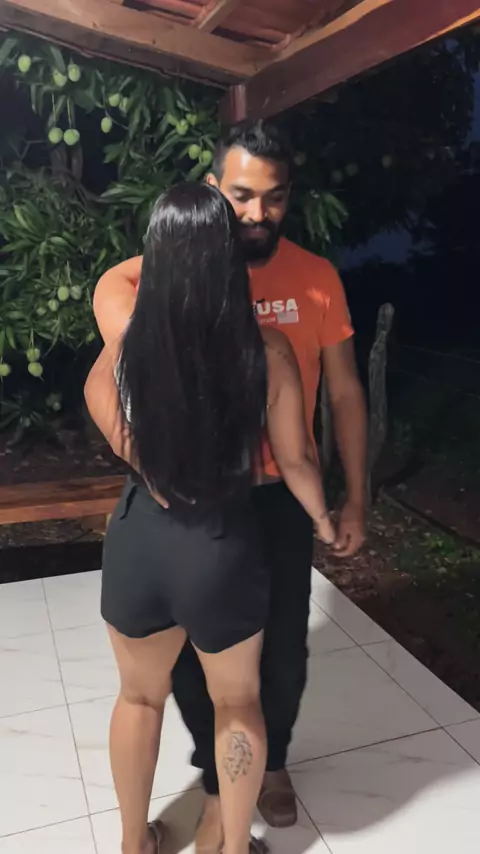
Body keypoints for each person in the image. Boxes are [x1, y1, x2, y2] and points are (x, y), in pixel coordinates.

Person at [93, 120, 367, 852]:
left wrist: (153, 467)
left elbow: (108, 410)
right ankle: (230, 841)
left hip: (142, 533)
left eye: (273, 197)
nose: (256, 213)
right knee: (237, 701)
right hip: (223, 531)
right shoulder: (264, 348)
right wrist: (326, 516)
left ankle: (134, 842)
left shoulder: (131, 340)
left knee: (140, 695)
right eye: (241, 199)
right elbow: (298, 458)